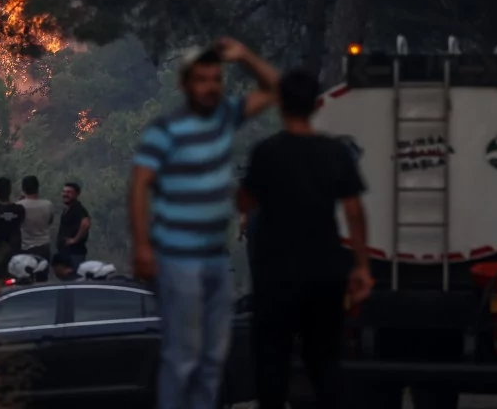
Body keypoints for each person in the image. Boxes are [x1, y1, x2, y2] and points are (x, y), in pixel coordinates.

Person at [128, 38, 279, 409]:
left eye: (216, 79)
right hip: (177, 258)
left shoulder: (226, 117)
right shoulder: (165, 131)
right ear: (185, 85)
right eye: (201, 79)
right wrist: (143, 246)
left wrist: (244, 55)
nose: (210, 86)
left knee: (213, 360)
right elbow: (140, 186)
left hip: (216, 258)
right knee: (182, 357)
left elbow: (276, 88)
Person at [238, 69, 373, 409]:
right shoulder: (335, 152)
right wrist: (361, 266)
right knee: (326, 363)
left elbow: (245, 202)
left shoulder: (267, 152)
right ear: (315, 105)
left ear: (280, 105)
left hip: (277, 275)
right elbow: (355, 211)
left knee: (272, 363)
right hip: (325, 271)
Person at [17, 175, 53, 282]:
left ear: (23, 189)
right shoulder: (48, 205)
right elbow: (49, 221)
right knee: (42, 280)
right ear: (37, 187)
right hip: (43, 248)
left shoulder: (19, 206)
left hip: (25, 249)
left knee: (25, 281)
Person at [56, 182, 91, 267]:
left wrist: (75, 239)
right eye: (64, 192)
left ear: (77, 194)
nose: (65, 194)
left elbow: (86, 223)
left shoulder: (78, 209)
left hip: (75, 253)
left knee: (75, 278)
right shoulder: (67, 209)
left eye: (69, 192)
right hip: (66, 253)